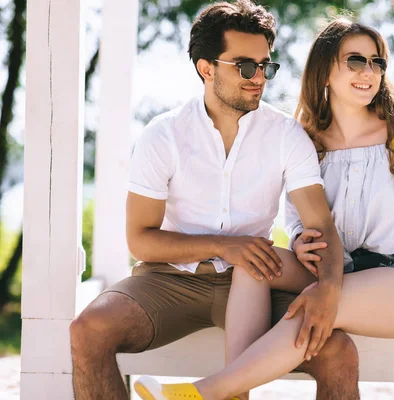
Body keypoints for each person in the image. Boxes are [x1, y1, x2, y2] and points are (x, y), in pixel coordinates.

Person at [134, 17, 394, 400]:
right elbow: (297, 217)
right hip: (336, 266)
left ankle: (202, 393)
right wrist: (298, 240)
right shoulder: (305, 138)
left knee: (320, 302)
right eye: (355, 61)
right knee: (254, 262)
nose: (369, 72)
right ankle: (232, 396)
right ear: (325, 70)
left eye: (376, 62)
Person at [69, 2, 362, 400]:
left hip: (256, 279)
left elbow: (320, 224)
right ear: (206, 68)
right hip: (169, 281)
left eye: (266, 66)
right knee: (88, 329)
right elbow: (140, 239)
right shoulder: (164, 135)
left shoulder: (286, 135)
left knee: (337, 352)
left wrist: (328, 286)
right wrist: (224, 246)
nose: (259, 77)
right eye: (245, 66)